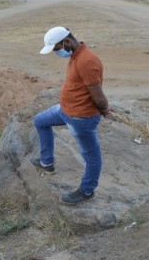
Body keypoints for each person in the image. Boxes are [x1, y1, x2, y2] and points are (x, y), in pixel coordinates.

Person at [32, 27, 113, 205]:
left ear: (67, 42)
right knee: (40, 121)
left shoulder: (87, 61)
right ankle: (47, 162)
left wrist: (105, 109)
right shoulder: (76, 55)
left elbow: (98, 96)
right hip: (66, 110)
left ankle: (87, 190)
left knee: (91, 156)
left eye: (56, 49)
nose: (57, 53)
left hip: (81, 118)